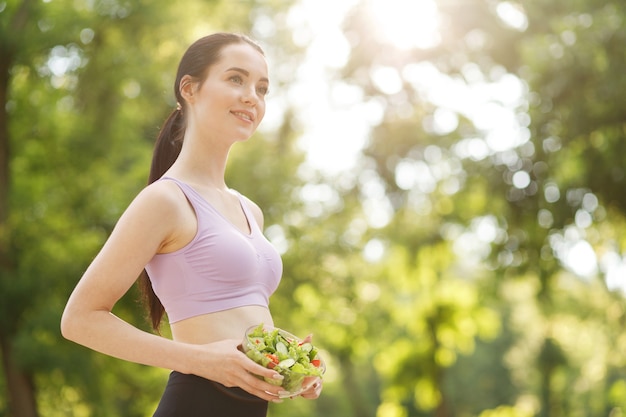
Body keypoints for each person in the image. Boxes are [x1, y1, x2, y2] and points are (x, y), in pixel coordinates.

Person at [60, 32, 322, 417]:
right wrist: (201, 360)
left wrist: (294, 363)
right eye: (236, 79)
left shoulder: (249, 210)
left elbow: (238, 319)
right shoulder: (165, 201)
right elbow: (79, 319)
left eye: (262, 88)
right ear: (190, 89)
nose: (252, 95)